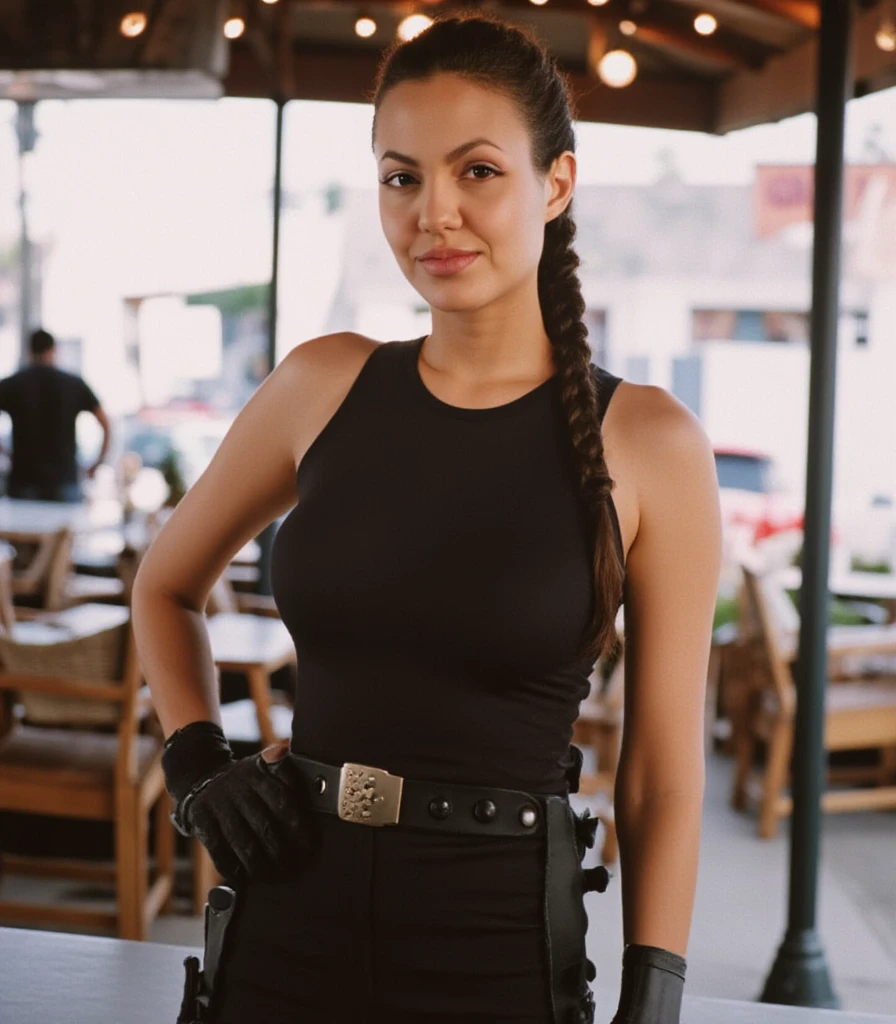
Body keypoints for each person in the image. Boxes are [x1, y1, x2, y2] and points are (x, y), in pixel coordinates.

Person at [133, 14, 721, 1024]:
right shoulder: (320, 383)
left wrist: (652, 999)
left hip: (494, 938)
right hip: (285, 913)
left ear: (557, 185)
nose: (432, 213)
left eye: (477, 172)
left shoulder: (648, 442)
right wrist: (197, 763)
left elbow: (662, 770)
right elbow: (165, 584)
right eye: (400, 177)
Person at [0, 328, 111, 501]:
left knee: (23, 529)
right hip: (64, 481)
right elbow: (105, 423)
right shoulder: (74, 384)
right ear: (54, 350)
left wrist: (5, 452)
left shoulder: (12, 384)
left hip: (23, 480)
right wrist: (96, 465)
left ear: (30, 350)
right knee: (65, 528)